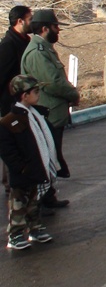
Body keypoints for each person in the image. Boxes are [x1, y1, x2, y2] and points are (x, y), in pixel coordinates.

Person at [20, 9, 77, 208]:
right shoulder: (37, 53)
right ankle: (40, 201)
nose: (58, 30)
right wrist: (73, 95)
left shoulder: (45, 49)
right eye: (55, 26)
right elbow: (52, 83)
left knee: (52, 156)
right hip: (48, 112)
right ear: (45, 28)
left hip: (54, 112)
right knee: (45, 159)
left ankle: (48, 196)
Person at [0, 75, 57, 249]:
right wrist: (22, 168)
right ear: (24, 95)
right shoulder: (10, 122)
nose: (38, 94)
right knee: (19, 205)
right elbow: (7, 151)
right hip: (23, 174)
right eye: (36, 91)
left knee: (35, 202)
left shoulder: (35, 115)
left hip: (36, 169)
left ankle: (35, 229)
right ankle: (15, 235)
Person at [0, 6, 32, 196]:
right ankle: (11, 184)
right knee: (12, 144)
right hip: (11, 106)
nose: (32, 22)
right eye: (29, 19)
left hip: (21, 105)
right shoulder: (8, 46)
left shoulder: (23, 42)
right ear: (20, 21)